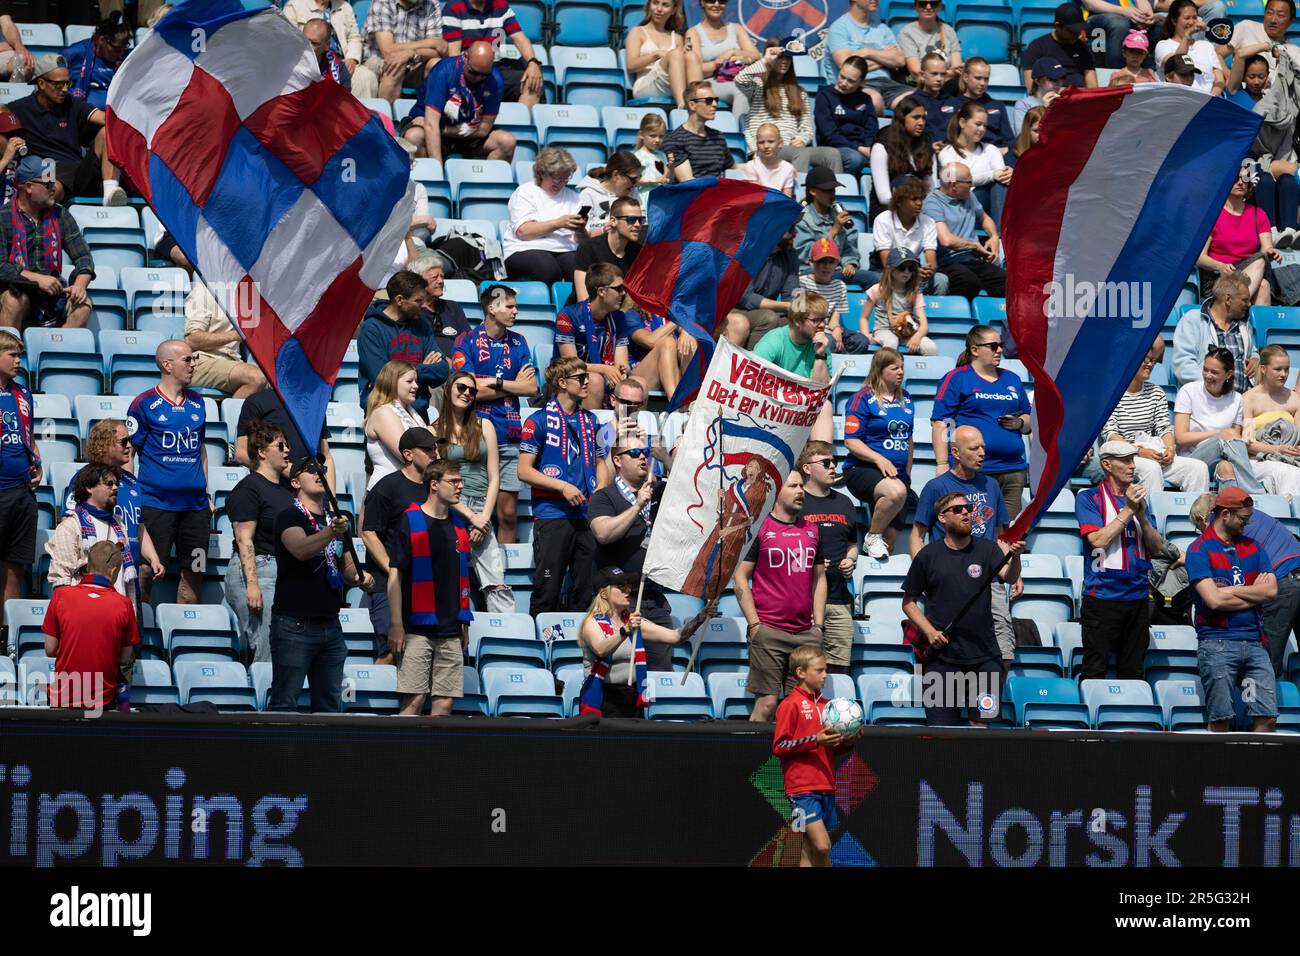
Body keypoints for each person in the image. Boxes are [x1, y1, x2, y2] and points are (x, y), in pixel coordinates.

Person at [902, 491, 1023, 725]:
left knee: (981, 726)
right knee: (943, 732)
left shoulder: (987, 549)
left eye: (968, 508)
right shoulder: (928, 556)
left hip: (984, 657)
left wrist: (1015, 557)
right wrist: (930, 632)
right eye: (958, 509)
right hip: (942, 659)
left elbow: (1009, 577)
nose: (966, 512)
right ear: (942, 518)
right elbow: (908, 603)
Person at [271, 458, 375, 712]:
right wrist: (331, 531)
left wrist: (360, 577)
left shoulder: (337, 518)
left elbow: (347, 566)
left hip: (330, 623)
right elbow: (300, 549)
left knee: (329, 707)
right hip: (294, 623)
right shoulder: (289, 516)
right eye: (311, 470)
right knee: (285, 704)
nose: (320, 474)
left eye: (323, 470)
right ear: (295, 482)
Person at [910, 425, 1018, 662]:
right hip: (949, 576)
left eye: (983, 448)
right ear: (956, 453)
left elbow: (1001, 534)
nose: (982, 453)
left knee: (1003, 641)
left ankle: (990, 696)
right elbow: (917, 535)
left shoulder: (991, 485)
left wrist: (1013, 573)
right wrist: (924, 573)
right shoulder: (936, 487)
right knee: (949, 642)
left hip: (989, 575)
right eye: (974, 448)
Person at [1184, 487, 1278, 732]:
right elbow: (1213, 602)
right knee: (1221, 718)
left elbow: (1270, 592)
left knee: (1266, 716)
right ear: (1225, 514)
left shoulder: (1254, 546)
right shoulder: (1199, 549)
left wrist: (1229, 591)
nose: (1247, 524)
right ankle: (1218, 769)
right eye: (1243, 519)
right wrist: (1252, 594)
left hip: (1255, 643)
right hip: (1217, 643)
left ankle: (1257, 768)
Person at [384, 458, 473, 715]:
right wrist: (397, 624)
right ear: (434, 485)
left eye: (461, 481)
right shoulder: (410, 520)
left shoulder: (459, 525)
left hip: (451, 629)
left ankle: (435, 754)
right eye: (453, 481)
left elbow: (459, 580)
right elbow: (395, 576)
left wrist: (463, 624)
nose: (460, 486)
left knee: (444, 703)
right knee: (414, 700)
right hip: (416, 629)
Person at [736, 470, 826, 723]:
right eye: (793, 486)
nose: (800, 491)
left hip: (806, 633)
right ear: (776, 491)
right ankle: (753, 759)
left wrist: (818, 626)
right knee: (767, 704)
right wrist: (754, 625)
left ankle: (789, 761)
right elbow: (740, 576)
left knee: (800, 707)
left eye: (802, 486)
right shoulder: (758, 528)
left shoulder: (812, 530)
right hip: (769, 630)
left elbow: (819, 579)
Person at [519, 356, 607, 614]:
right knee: (547, 587)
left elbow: (602, 462)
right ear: (562, 383)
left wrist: (600, 490)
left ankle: (581, 651)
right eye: (581, 378)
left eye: (586, 376)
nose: (587, 382)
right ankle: (545, 649)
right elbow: (523, 470)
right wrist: (562, 487)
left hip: (585, 517)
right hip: (552, 517)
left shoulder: (591, 420)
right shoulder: (538, 420)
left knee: (586, 591)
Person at [450, 283, 536, 545]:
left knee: (508, 513)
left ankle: (503, 574)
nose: (516, 311)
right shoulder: (465, 340)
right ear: (491, 308)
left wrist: (493, 383)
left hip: (510, 435)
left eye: (515, 306)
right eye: (509, 306)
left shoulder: (519, 341)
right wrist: (511, 386)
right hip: (475, 434)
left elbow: (531, 387)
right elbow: (466, 388)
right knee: (472, 510)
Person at [128, 340, 210, 606]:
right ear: (167, 364)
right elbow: (128, 453)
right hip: (155, 505)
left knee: (195, 572)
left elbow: (201, 449)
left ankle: (187, 635)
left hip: (195, 509)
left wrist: (206, 493)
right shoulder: (143, 404)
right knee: (146, 571)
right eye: (187, 359)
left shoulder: (198, 403)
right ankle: (137, 638)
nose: (193, 364)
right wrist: (130, 497)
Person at [1076, 440, 1165, 679]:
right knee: (1095, 668)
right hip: (1102, 597)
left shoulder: (1140, 501)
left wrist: (1142, 517)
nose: (1132, 466)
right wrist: (1128, 510)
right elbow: (1098, 540)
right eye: (1125, 460)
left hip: (1137, 597)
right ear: (1106, 464)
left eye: (1133, 460)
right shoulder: (1089, 498)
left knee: (1134, 671)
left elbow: (1157, 548)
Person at [430, 369, 515, 613]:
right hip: (450, 507)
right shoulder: (433, 430)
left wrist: (483, 519)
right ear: (448, 390)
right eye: (461, 388)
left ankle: (503, 638)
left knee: (495, 579)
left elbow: (494, 477)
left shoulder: (484, 425)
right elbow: (435, 481)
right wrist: (471, 517)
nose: (467, 393)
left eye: (472, 390)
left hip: (481, 505)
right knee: (446, 574)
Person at [1190, 490, 1300, 677]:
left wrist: (1230, 591)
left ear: (1206, 517)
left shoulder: (1234, 526)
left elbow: (1225, 577)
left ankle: (1269, 703)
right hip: (1293, 572)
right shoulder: (1245, 514)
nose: (1203, 533)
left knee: (1268, 661)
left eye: (1198, 527)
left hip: (1283, 582)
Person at [578, 566, 712, 716]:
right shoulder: (592, 622)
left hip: (632, 696)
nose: (628, 590)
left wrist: (701, 617)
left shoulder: (633, 621)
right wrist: (624, 631)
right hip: (603, 698)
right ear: (603, 593)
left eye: (628, 586)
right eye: (621, 587)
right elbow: (601, 649)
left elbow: (675, 637)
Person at [772, 645, 859, 867]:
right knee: (822, 845)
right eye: (819, 670)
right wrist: (814, 740)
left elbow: (831, 749)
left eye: (825, 669)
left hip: (826, 786)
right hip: (801, 790)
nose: (825, 675)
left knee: (808, 851)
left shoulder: (827, 706)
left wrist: (848, 741)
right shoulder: (789, 705)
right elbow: (780, 746)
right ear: (801, 673)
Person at [933, 325, 1032, 519]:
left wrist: (1019, 423)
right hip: (974, 471)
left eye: (1001, 345)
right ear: (975, 350)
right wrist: (942, 463)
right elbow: (940, 423)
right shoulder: (956, 378)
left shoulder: (1012, 378)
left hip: (1013, 470)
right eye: (993, 346)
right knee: (974, 528)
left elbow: (1029, 420)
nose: (1000, 350)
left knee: (1006, 535)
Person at [589, 443, 671, 671]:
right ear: (617, 460)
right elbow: (603, 534)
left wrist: (666, 459)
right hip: (620, 601)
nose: (642, 457)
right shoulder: (605, 497)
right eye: (634, 453)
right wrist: (637, 506)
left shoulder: (660, 490)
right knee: (624, 673)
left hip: (654, 598)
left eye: (644, 452)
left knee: (659, 676)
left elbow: (690, 491)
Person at [361, 427, 440, 662]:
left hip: (425, 584)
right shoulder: (387, 487)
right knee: (391, 651)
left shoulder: (434, 488)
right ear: (408, 455)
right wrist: (393, 570)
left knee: (423, 653)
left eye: (435, 448)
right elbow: (368, 533)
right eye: (427, 449)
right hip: (389, 583)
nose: (435, 453)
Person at [62, 418, 166, 596]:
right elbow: (68, 523)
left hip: (128, 575)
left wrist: (153, 557)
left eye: (130, 441)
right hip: (96, 578)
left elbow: (139, 527)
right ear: (105, 445)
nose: (129, 446)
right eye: (124, 441)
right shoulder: (86, 479)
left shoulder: (132, 483)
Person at [7, 54, 124, 206]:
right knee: (49, 185)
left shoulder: (73, 104)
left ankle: (110, 194)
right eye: (58, 85)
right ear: (41, 84)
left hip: (78, 172)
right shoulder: (20, 108)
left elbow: (104, 118)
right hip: (46, 172)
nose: (64, 89)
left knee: (108, 130)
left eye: (67, 84)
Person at [225, 421, 295, 665]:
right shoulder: (249, 488)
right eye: (281, 446)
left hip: (285, 573)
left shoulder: (288, 492)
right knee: (267, 643)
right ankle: (265, 699)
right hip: (259, 570)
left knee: (284, 643)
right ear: (262, 452)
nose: (287, 450)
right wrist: (252, 585)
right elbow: (244, 539)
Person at [0, 155, 95, 331]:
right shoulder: (3, 216)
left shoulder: (60, 214)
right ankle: (9, 354)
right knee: (13, 300)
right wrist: (37, 279)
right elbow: (1, 266)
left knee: (82, 306)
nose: (54, 187)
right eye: (48, 183)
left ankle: (57, 353)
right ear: (28, 187)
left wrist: (80, 285)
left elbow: (83, 257)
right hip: (17, 289)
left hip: (52, 294)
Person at [42, 540, 137, 712]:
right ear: (113, 570)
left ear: (88, 565)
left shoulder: (60, 595)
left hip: (62, 698)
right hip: (102, 702)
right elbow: (124, 658)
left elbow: (50, 649)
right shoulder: (124, 604)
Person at [1103, 344, 1210, 492]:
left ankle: (1195, 515)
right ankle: (1150, 515)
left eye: (1153, 360)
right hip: (1122, 456)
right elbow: (1111, 435)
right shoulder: (1111, 393)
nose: (1150, 364)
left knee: (1198, 468)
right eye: (1145, 360)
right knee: (1151, 468)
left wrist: (1169, 449)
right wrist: (1138, 452)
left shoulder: (1156, 392)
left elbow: (1164, 428)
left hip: (1151, 452)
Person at [845, 348, 916, 560]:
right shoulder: (862, 398)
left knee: (889, 542)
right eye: (894, 368)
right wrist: (879, 459)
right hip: (862, 470)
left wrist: (907, 475)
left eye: (902, 367)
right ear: (880, 370)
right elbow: (851, 441)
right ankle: (872, 535)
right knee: (895, 493)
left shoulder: (907, 398)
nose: (900, 372)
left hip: (897, 476)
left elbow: (908, 440)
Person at [797, 443, 858, 676]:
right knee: (805, 671)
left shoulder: (844, 503)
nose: (833, 466)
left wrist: (851, 561)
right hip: (806, 602)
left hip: (839, 600)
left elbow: (852, 544)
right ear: (808, 468)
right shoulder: (797, 501)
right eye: (825, 463)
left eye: (834, 462)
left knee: (839, 671)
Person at [1173, 346, 1269, 494]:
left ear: (1229, 374)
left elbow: (1236, 444)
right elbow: (1180, 438)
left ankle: (1230, 511)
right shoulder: (1188, 391)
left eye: (1214, 372)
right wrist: (1218, 434)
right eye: (1205, 370)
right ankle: (1256, 493)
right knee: (1228, 435)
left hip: (1221, 460)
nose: (1208, 375)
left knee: (1227, 468)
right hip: (1193, 459)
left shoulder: (1236, 399)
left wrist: (1223, 435)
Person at [736, 41, 842, 174]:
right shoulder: (757, 86)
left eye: (787, 57)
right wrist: (765, 60)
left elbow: (807, 128)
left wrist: (802, 139)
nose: (784, 61)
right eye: (779, 57)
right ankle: (795, 194)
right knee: (800, 154)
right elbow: (740, 79)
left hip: (793, 148)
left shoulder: (799, 91)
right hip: (767, 148)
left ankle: (835, 193)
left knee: (832, 154)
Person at [358, 270, 449, 421]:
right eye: (418, 301)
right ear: (400, 299)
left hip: (419, 414)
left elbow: (442, 370)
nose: (424, 306)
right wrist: (421, 369)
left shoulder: (423, 326)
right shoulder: (371, 329)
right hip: (384, 413)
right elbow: (382, 377)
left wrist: (412, 371)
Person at [401, 40, 514, 162]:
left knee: (507, 141)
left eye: (483, 75)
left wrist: (444, 130)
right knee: (414, 137)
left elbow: (483, 129)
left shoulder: (495, 79)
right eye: (473, 72)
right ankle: (430, 179)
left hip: (467, 133)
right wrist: (437, 171)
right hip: (431, 129)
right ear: (464, 57)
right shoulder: (444, 71)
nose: (478, 78)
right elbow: (431, 125)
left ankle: (484, 179)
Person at [46, 463, 141, 604]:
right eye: (109, 483)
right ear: (89, 488)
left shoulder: (119, 525)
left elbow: (126, 584)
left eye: (116, 483)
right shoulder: (71, 526)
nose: (115, 488)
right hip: (84, 612)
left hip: (117, 612)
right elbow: (61, 581)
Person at [682, 454, 771, 597]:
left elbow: (751, 520)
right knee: (703, 561)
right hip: (720, 529)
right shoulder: (735, 486)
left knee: (721, 567)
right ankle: (693, 595)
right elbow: (722, 512)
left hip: (735, 535)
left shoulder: (759, 492)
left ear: (760, 472)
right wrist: (720, 498)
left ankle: (712, 600)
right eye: (750, 465)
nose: (752, 469)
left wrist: (731, 529)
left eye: (756, 467)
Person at [753, 291, 834, 442]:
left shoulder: (822, 346)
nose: (822, 325)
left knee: (825, 406)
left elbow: (821, 393)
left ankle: (820, 459)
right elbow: (752, 378)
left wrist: (820, 355)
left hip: (802, 408)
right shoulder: (773, 342)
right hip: (772, 405)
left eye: (824, 319)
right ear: (797, 321)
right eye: (816, 320)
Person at [1194, 172, 1280, 308]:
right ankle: (1236, 306)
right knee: (1261, 273)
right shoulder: (1212, 215)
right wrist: (1220, 266)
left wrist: (1271, 253)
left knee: (1264, 284)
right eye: (1235, 178)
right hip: (1218, 276)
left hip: (1249, 273)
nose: (1240, 182)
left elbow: (1266, 250)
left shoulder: (1259, 214)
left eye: (1245, 178)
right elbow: (1199, 257)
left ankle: (1239, 314)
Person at [923, 162, 1006, 299]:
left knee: (1004, 281)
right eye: (969, 182)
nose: (972, 185)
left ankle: (990, 319)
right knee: (968, 281)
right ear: (954, 185)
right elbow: (946, 240)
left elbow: (985, 218)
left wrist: (994, 236)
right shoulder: (932, 202)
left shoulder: (969, 196)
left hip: (973, 260)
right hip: (948, 262)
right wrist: (974, 245)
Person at [556, 261, 632, 410]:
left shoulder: (619, 318)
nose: (623, 293)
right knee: (595, 380)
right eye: (618, 288)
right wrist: (604, 369)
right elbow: (571, 365)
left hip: (605, 375)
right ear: (601, 291)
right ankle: (590, 432)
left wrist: (622, 370)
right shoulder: (568, 316)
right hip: (568, 379)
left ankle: (627, 431)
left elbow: (622, 362)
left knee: (636, 384)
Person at [502, 146, 583, 285]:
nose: (561, 183)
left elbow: (580, 241)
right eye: (556, 178)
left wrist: (581, 229)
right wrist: (558, 223)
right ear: (541, 173)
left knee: (581, 269)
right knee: (547, 269)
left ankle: (578, 306)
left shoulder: (574, 197)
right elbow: (523, 232)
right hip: (525, 247)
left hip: (565, 248)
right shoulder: (525, 192)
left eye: (565, 178)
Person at [442, 0, 545, 106]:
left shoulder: (500, 4)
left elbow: (519, 38)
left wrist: (532, 62)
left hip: (495, 67)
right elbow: (454, 56)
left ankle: (518, 120)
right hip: (470, 70)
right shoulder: (454, 7)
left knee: (534, 78)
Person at [0, 330, 39, 605]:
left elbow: (29, 436)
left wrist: (38, 464)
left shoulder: (23, 393)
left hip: (22, 491)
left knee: (15, 570)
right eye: (12, 355)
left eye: (20, 355)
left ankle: (7, 640)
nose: (18, 361)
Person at [1172, 271, 1259, 391]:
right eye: (1245, 300)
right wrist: (1217, 387)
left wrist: (1255, 359)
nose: (1249, 304)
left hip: (1241, 403)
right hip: (1205, 401)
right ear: (1228, 299)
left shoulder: (1244, 325)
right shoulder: (1193, 320)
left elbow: (1252, 352)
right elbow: (1183, 365)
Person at [182, 281, 268, 399]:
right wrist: (235, 335)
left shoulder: (249, 297)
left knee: (282, 386)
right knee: (257, 377)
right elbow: (191, 340)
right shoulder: (204, 292)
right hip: (202, 360)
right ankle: (235, 417)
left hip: (234, 362)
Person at [823, 0, 911, 114]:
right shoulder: (839, 28)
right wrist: (884, 58)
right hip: (858, 84)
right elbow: (847, 66)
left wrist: (867, 52)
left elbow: (900, 60)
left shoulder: (882, 28)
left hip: (888, 84)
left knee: (917, 102)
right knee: (873, 100)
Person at [354, 0, 449, 103]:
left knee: (436, 64)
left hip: (414, 62)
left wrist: (413, 53)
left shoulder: (431, 4)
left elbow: (439, 51)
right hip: (379, 61)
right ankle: (386, 117)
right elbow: (387, 50)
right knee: (396, 64)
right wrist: (430, 42)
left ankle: (426, 115)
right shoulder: (383, 2)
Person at [724, 225, 801, 348]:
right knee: (768, 318)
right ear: (776, 229)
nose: (796, 233)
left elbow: (795, 291)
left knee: (796, 324)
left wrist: (802, 307)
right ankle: (750, 362)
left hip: (765, 310)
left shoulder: (791, 255)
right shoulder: (748, 250)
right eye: (791, 229)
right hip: (732, 309)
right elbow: (746, 298)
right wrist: (787, 306)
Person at [235, 387, 334, 482]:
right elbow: (241, 454)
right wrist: (284, 468)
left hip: (312, 490)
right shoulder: (256, 402)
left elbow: (326, 456)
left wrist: (331, 496)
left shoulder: (316, 406)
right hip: (275, 488)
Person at [938, 101, 1010, 227]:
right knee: (995, 180)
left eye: (985, 126)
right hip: (959, 207)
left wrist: (1009, 175)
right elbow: (956, 184)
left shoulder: (991, 149)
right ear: (962, 123)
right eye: (978, 124)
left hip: (987, 210)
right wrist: (992, 175)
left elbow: (1001, 176)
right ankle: (1002, 235)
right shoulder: (947, 153)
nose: (982, 129)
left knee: (1000, 183)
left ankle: (1000, 237)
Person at [1242, 344, 1300, 498]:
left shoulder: (1295, 399)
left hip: (1290, 458)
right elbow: (1247, 443)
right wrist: (1277, 450)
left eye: (1286, 369)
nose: (1284, 374)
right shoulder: (1248, 399)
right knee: (1287, 472)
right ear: (1263, 369)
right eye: (1278, 369)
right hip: (1256, 460)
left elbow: (1299, 438)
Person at [871, 176, 947, 294]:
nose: (919, 203)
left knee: (941, 280)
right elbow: (887, 263)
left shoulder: (928, 222)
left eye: (921, 198)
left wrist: (928, 271)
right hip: (885, 271)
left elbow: (932, 261)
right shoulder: (882, 220)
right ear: (899, 201)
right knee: (879, 280)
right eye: (913, 199)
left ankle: (927, 311)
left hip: (911, 270)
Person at [795, 165, 866, 289]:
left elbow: (850, 247)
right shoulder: (802, 218)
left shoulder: (839, 213)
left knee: (876, 280)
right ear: (813, 191)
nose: (832, 194)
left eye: (833, 190)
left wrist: (850, 263)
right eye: (827, 190)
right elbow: (805, 254)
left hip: (838, 270)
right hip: (810, 271)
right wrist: (834, 230)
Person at [862, 248, 939, 356]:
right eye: (902, 267)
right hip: (883, 331)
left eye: (911, 268)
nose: (907, 272)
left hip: (906, 333)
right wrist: (866, 336)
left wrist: (917, 337)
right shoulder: (878, 289)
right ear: (890, 268)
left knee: (930, 348)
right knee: (891, 342)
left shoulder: (915, 293)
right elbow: (864, 318)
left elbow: (924, 325)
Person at [365, 360, 428, 490]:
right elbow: (407, 454)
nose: (416, 386)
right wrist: (438, 469)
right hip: (386, 492)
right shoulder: (383, 413)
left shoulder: (413, 413)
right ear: (392, 383)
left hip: (409, 488)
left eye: (416, 381)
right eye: (409, 381)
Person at [686, 0, 760, 110]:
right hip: (711, 81)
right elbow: (697, 69)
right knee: (742, 90)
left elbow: (756, 55)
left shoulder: (736, 28)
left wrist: (732, 52)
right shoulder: (693, 32)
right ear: (702, 3)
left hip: (739, 77)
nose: (716, 5)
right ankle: (742, 127)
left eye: (721, 1)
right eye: (711, 1)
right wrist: (719, 62)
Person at [813, 56, 880, 177]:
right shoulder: (825, 96)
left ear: (862, 82)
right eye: (842, 76)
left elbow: (871, 129)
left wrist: (870, 148)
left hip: (862, 149)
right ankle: (839, 190)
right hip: (833, 148)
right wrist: (859, 148)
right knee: (854, 159)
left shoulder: (865, 99)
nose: (844, 83)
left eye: (851, 81)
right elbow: (829, 135)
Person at [869, 96, 937, 210]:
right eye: (916, 117)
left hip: (921, 208)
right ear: (902, 118)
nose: (921, 123)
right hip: (889, 209)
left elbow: (932, 188)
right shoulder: (882, 145)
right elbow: (884, 197)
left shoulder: (926, 143)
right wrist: (912, 204)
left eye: (923, 118)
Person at [625, 0, 694, 109]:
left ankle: (697, 100)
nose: (659, 9)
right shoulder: (637, 32)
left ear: (673, 10)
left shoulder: (677, 38)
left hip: (672, 84)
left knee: (691, 57)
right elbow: (631, 66)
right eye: (655, 3)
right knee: (675, 54)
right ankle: (683, 106)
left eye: (665, 5)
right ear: (649, 5)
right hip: (646, 84)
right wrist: (656, 55)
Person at [574, 196, 644, 301]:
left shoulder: (638, 252)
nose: (638, 225)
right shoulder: (588, 248)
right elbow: (583, 300)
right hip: (586, 314)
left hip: (621, 313)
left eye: (640, 219)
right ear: (613, 221)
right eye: (631, 219)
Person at [799, 237, 862, 353]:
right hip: (811, 330)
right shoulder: (801, 283)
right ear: (811, 262)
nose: (826, 266)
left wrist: (837, 329)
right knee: (829, 342)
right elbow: (801, 317)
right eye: (821, 261)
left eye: (831, 262)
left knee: (860, 341)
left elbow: (834, 320)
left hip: (830, 329)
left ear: (837, 264)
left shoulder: (840, 286)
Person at [282, 0, 365, 87]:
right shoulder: (294, 6)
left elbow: (354, 37)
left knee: (364, 77)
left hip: (342, 61)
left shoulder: (345, 7)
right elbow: (288, 40)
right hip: (310, 61)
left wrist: (352, 58)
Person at [663, 81, 732, 181]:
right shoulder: (674, 140)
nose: (715, 104)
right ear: (692, 105)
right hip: (694, 195)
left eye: (715, 100)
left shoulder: (718, 136)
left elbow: (734, 167)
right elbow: (687, 181)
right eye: (709, 100)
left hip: (718, 193)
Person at [1154, 0, 1227, 96]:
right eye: (1187, 18)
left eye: (1195, 17)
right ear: (1174, 21)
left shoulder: (1206, 46)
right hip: (1179, 100)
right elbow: (1176, 64)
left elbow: (1219, 79)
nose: (1192, 22)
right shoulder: (1163, 45)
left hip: (1207, 100)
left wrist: (1210, 99)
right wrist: (1188, 35)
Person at [62, 12, 132, 110]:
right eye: (116, 49)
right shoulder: (76, 53)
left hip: (118, 115)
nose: (121, 53)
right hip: (85, 118)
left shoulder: (126, 57)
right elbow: (52, 75)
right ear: (101, 40)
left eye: (124, 48)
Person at [1021, 3, 1099, 90]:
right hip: (1050, 99)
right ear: (1057, 26)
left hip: (1080, 98)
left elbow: (1093, 87)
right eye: (1072, 30)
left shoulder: (1084, 48)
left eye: (1079, 30)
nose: (1077, 34)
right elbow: (1031, 87)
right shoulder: (1037, 47)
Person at [945, 58, 1014, 153]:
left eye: (986, 79)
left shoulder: (998, 105)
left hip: (995, 156)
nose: (982, 83)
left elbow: (1009, 141)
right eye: (978, 78)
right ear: (965, 77)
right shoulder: (951, 104)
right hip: (962, 156)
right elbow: (947, 138)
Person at [409, 255, 471, 361]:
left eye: (442, 276)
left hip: (461, 366)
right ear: (419, 281)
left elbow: (468, 340)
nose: (441, 281)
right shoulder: (413, 311)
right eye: (435, 277)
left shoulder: (453, 307)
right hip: (433, 366)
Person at [575, 152, 643, 236]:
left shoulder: (633, 192)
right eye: (632, 179)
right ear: (615, 175)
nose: (635, 184)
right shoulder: (588, 194)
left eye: (638, 178)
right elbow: (580, 233)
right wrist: (602, 231)